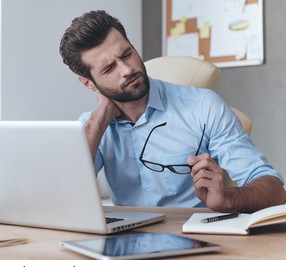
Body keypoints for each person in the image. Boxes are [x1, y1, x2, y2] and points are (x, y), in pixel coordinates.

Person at [59, 10, 285, 213]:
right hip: (127, 245)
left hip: (196, 242)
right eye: (109, 68)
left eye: (127, 54)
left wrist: (227, 199)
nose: (127, 70)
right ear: (89, 84)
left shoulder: (203, 106)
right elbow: (63, 198)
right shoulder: (92, 126)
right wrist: (99, 120)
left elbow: (275, 191)